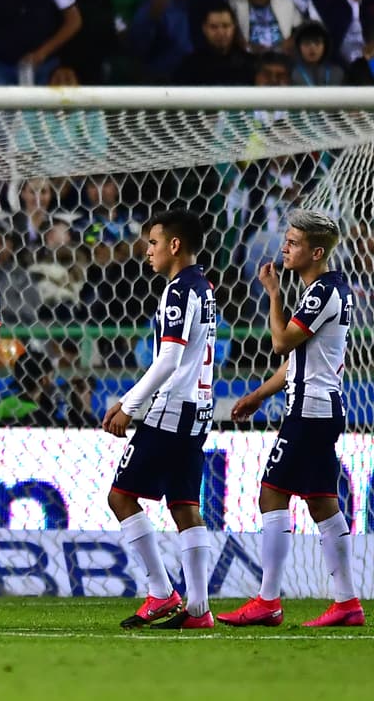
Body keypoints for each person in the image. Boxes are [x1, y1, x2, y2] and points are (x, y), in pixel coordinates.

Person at [218, 211, 365, 629]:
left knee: (271, 493)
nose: (284, 247)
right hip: (318, 408)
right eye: (287, 240)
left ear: (316, 252)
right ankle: (347, 603)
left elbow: (282, 343)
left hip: (310, 410)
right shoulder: (323, 290)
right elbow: (298, 361)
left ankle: (268, 601)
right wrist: (258, 395)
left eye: (294, 243)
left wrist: (272, 294)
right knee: (321, 503)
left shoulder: (320, 293)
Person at [102, 209, 217, 630]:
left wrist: (129, 405)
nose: (147, 251)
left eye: (153, 243)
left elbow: (168, 360)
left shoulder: (178, 291)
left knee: (120, 496)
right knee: (186, 504)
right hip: (198, 408)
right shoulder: (203, 288)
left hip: (171, 409)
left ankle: (160, 591)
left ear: (174, 245)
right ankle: (199, 609)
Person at [175, 4, 255, 84]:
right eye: (214, 27)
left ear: (234, 27)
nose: (220, 33)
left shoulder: (249, 64)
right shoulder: (190, 67)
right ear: (204, 29)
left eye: (225, 26)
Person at [291, 19, 345, 85]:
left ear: (325, 46)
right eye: (306, 42)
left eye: (317, 42)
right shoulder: (291, 74)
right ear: (298, 47)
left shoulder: (338, 73)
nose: (312, 47)